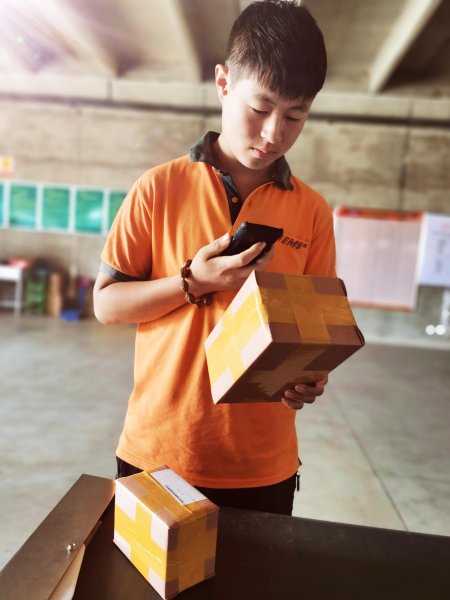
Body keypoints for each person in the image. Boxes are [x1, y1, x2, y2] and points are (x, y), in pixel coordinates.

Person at [93, 0, 335, 516]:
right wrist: (192, 282)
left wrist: (308, 377)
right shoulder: (159, 188)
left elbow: (314, 330)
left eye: (295, 116)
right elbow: (106, 305)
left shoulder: (312, 212)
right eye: (260, 108)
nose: (274, 134)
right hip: (160, 453)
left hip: (262, 465)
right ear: (224, 83)